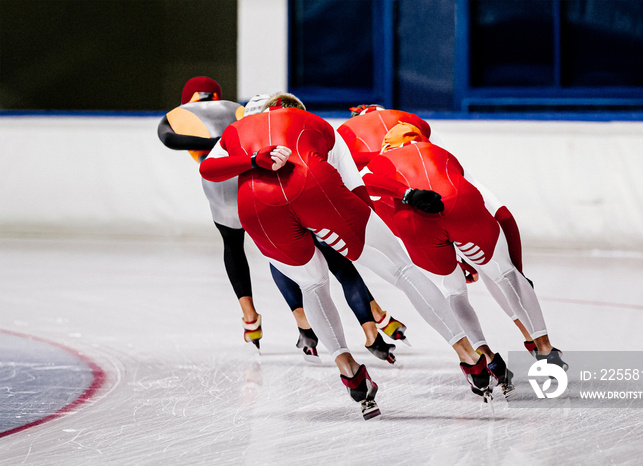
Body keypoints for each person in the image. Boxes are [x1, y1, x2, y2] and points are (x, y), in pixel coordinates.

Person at [199, 93, 512, 419]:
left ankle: (348, 369)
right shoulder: (317, 124)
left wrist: (251, 161)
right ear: (296, 110)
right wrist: (374, 232)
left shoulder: (237, 131)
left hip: (258, 209)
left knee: (313, 286)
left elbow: (208, 169)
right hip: (316, 188)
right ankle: (468, 355)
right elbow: (357, 189)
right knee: (402, 271)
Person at [158, 80, 407, 364]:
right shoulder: (238, 109)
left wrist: (227, 150)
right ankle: (373, 324)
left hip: (230, 184)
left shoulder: (180, 114)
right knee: (328, 254)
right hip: (279, 179)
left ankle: (258, 320)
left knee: (239, 246)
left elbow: (168, 139)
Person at [337, 105, 560, 362]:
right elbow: (503, 214)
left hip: (400, 210)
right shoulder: (415, 124)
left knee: (449, 287)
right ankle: (541, 343)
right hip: (452, 193)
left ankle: (481, 355)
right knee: (501, 270)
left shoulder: (345, 136)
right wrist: (518, 269)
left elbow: (354, 190)